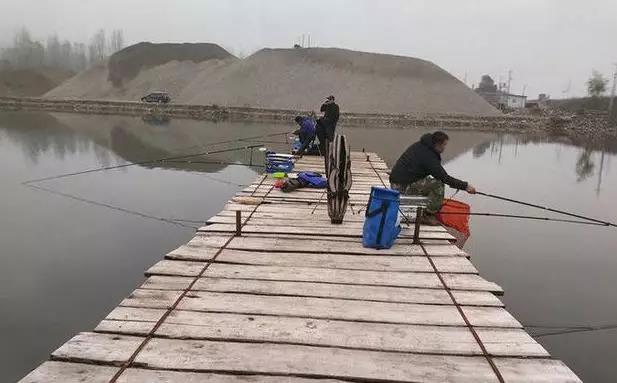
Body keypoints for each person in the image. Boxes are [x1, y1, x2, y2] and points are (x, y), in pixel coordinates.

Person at [389, 131, 477, 225]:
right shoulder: (429, 157)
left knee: (430, 181)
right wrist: (466, 186)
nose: (444, 148)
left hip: (400, 180)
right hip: (401, 186)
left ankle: (426, 208)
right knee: (438, 185)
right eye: (444, 145)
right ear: (438, 144)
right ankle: (427, 215)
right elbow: (444, 178)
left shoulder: (421, 146)